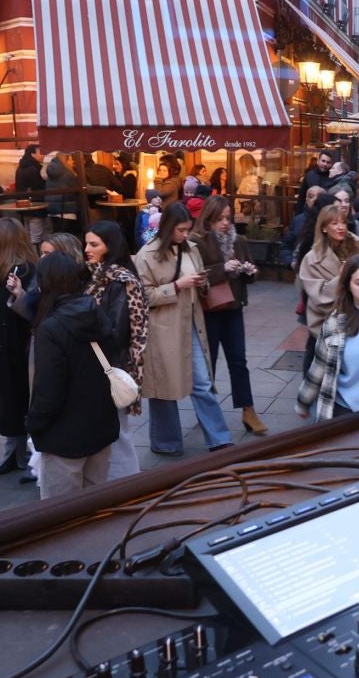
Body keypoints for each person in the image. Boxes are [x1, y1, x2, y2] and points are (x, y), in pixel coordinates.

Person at [135, 202, 231, 456]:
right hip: (163, 329)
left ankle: (220, 439)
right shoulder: (147, 254)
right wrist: (177, 286)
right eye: (180, 230)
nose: (185, 235)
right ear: (168, 228)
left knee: (202, 382)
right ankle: (166, 442)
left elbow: (201, 283)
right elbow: (143, 296)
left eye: (188, 229)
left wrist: (201, 283)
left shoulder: (192, 249)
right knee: (163, 388)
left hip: (192, 324)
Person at [25, 252, 122, 499]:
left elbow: (49, 391)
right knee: (97, 508)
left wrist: (33, 423)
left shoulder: (51, 328)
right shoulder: (94, 311)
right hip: (101, 425)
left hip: (64, 437)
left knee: (61, 518)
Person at [82, 220, 148, 479]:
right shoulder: (96, 275)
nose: (86, 248)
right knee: (111, 430)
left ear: (110, 247)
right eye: (86, 242)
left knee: (118, 432)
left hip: (113, 364)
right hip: (101, 362)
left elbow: (118, 331)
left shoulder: (120, 280)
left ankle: (128, 483)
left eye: (94, 244)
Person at [194, 197, 264, 436]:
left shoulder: (239, 240)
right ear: (209, 218)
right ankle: (208, 411)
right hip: (210, 311)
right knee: (208, 363)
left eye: (227, 217)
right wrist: (222, 269)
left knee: (238, 360)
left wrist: (249, 271)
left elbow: (250, 269)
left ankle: (248, 410)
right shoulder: (197, 242)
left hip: (233, 308)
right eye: (219, 218)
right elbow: (196, 276)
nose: (225, 223)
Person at [296, 254, 359, 420]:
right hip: (343, 410)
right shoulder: (336, 322)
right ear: (348, 286)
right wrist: (303, 403)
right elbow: (319, 366)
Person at [0, 218, 37, 476]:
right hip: (5, 347)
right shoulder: (10, 268)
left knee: (15, 400)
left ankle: (18, 454)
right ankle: (16, 453)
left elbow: (24, 311)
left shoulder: (20, 270)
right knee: (13, 400)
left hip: (13, 348)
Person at [297, 203, 359, 338]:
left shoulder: (358, 248)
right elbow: (319, 297)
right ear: (324, 228)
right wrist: (343, 276)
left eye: (343, 222)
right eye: (334, 223)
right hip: (328, 325)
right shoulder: (312, 259)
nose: (341, 227)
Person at [280, 185, 322, 269]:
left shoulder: (330, 220)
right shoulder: (298, 220)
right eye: (311, 196)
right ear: (306, 200)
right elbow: (286, 245)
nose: (315, 199)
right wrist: (291, 261)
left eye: (319, 196)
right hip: (301, 270)